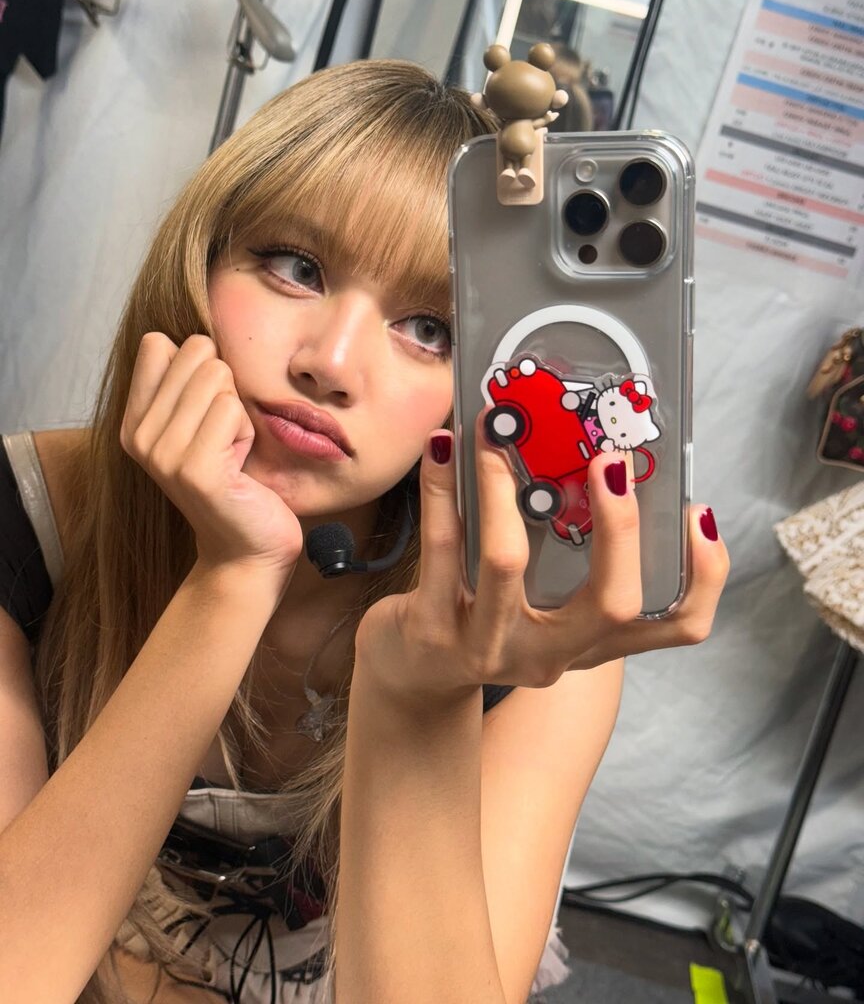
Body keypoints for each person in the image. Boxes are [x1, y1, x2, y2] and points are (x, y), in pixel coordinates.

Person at [0, 59, 730, 1004]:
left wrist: (417, 690)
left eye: (431, 329)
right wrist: (233, 576)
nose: (332, 364)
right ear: (201, 259)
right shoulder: (29, 515)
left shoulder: (533, 631)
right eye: (295, 268)